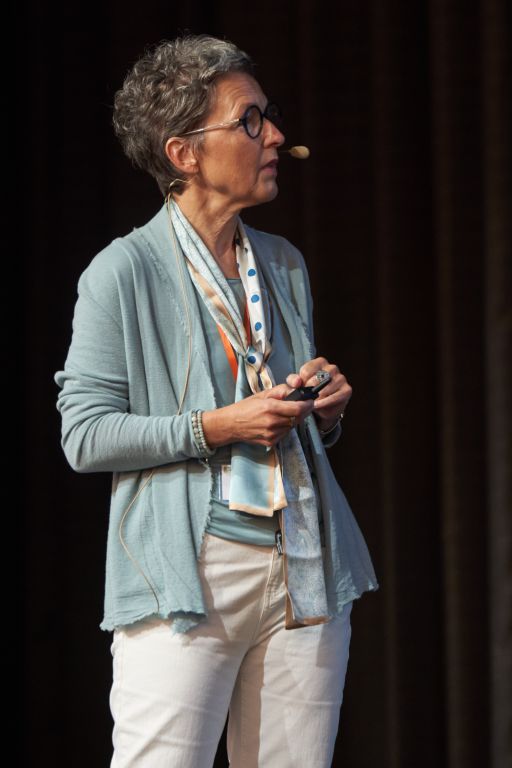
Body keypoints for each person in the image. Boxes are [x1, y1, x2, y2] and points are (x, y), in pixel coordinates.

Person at [55, 34, 378, 768]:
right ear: (185, 153)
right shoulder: (121, 272)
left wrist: (322, 412)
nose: (276, 136)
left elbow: (273, 406)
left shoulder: (282, 262)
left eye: (269, 115)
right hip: (189, 573)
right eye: (251, 120)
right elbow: (86, 435)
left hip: (302, 560)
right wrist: (216, 426)